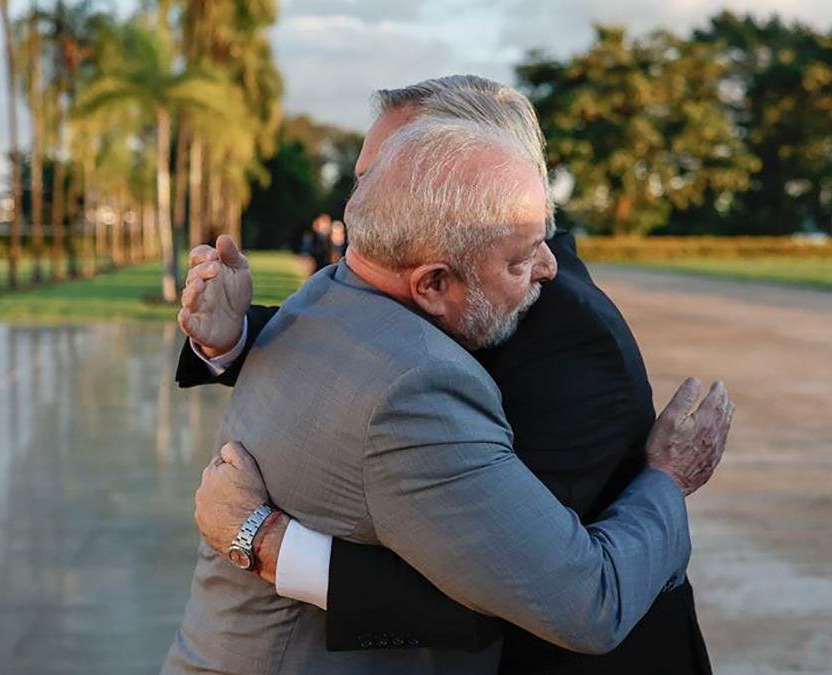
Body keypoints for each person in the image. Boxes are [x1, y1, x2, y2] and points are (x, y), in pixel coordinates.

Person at [174, 76, 726, 673]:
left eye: (387, 171)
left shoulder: (565, 336)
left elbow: (520, 585)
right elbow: (340, 355)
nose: (365, 202)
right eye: (368, 178)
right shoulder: (375, 287)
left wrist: (268, 545)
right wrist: (225, 342)